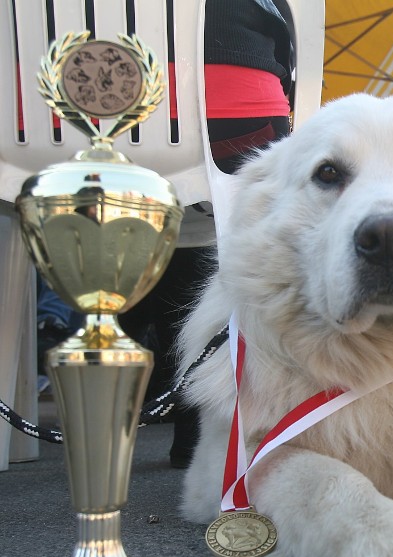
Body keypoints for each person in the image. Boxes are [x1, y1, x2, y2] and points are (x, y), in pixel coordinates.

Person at [120, 0, 294, 468]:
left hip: (65, 112)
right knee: (213, 215)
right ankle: (203, 425)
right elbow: (285, 39)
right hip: (233, 112)